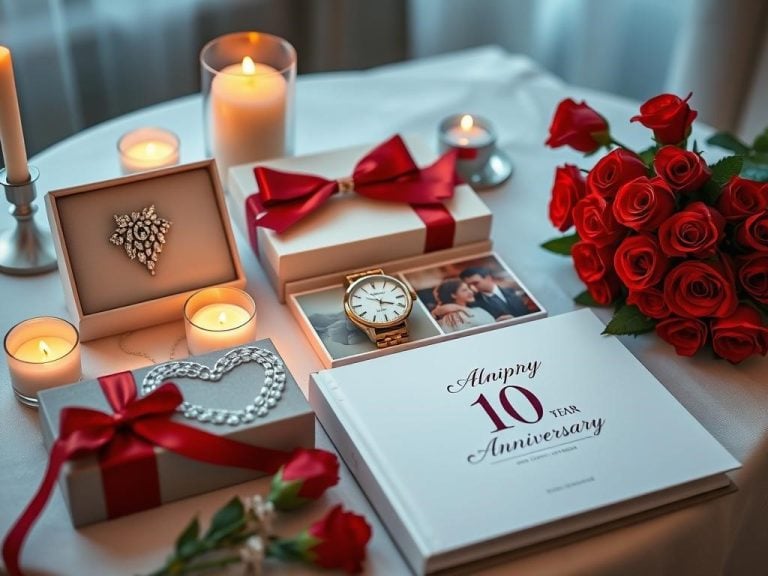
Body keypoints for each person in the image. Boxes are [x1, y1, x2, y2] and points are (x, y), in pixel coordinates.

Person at [459, 266, 530, 320]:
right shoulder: (472, 304)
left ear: (488, 278)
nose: (472, 288)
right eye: (469, 285)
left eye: (475, 283)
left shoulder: (514, 291)